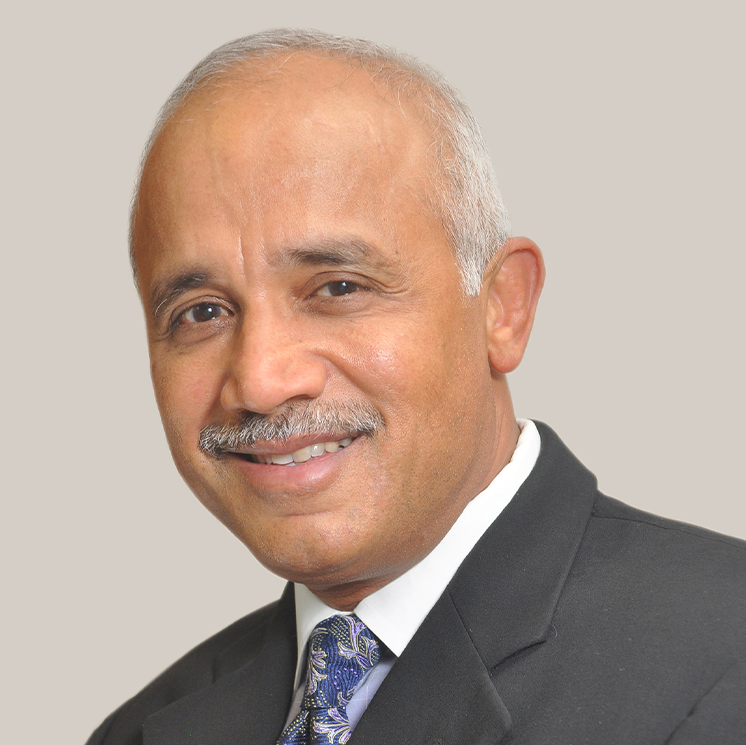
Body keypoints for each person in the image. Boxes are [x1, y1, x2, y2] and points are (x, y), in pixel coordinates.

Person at [87, 29, 746, 745]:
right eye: (202, 312)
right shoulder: (139, 731)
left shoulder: (723, 669)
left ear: (503, 308)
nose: (262, 380)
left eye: (338, 287)